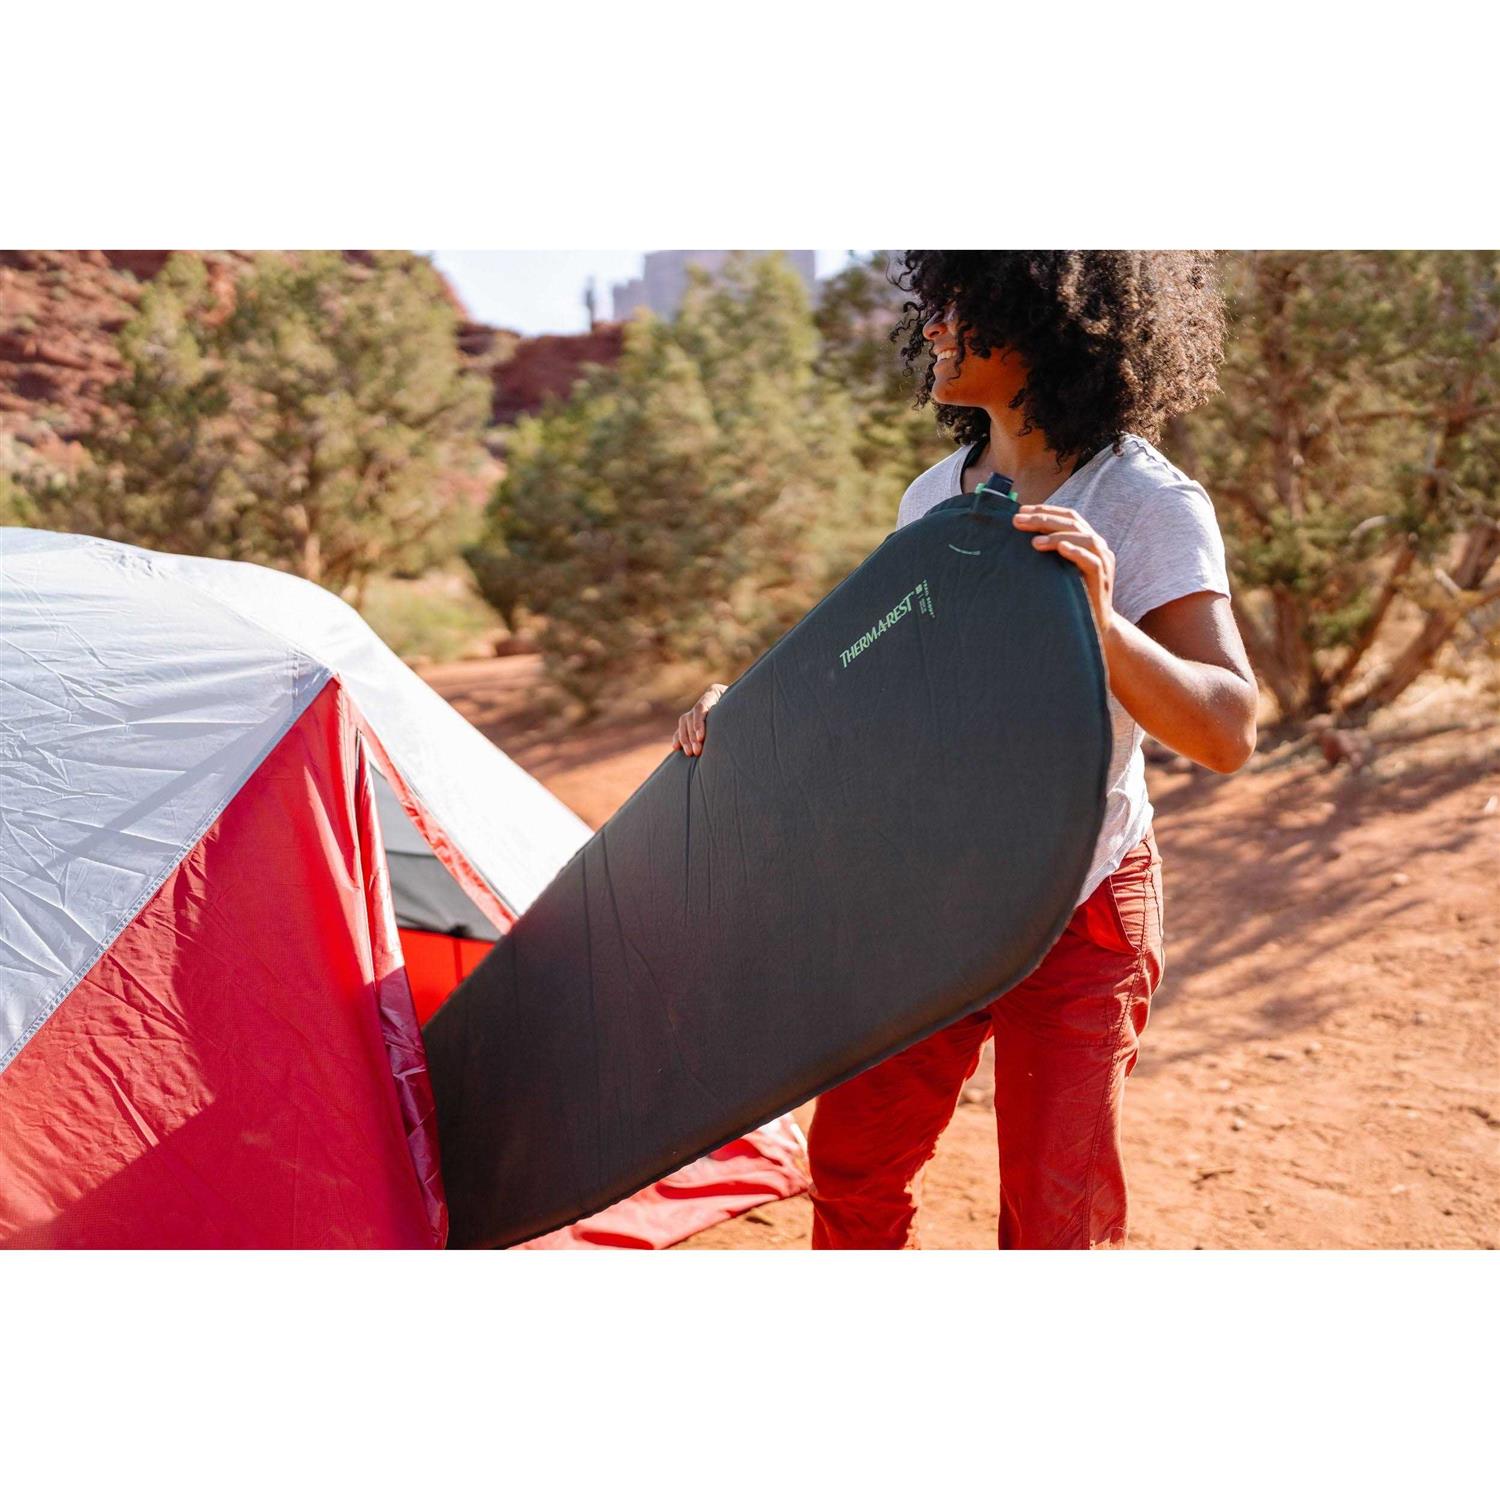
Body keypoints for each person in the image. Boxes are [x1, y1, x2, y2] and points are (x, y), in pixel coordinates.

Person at [672, 251, 1258, 1249]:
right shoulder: (933, 496)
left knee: (1054, 1215)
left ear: (1050, 318)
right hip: (926, 897)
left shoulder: (1145, 500)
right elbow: (886, 688)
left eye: (961, 303)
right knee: (853, 1170)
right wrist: (752, 714)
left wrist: (1102, 621)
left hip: (1079, 905)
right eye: (933, 304)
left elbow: (1229, 730)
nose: (933, 325)